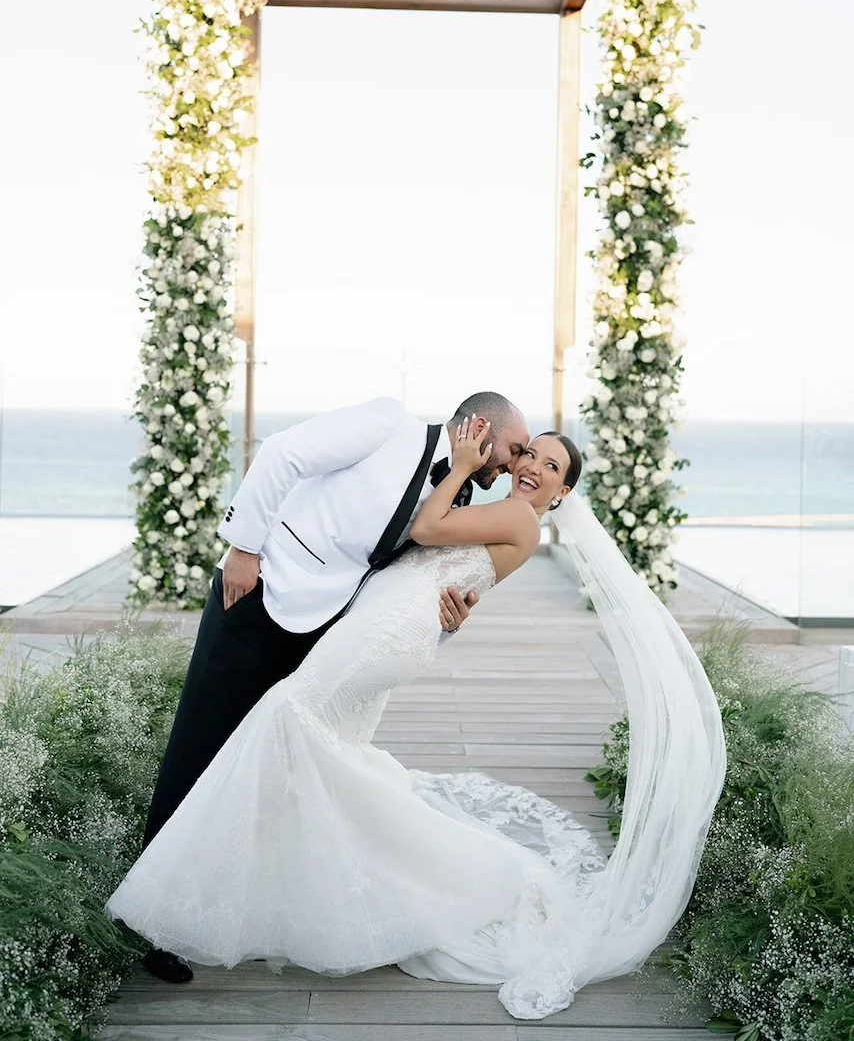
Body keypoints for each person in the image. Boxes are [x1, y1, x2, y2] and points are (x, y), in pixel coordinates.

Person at [109, 418, 726, 1020]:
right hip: (380, 621)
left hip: (386, 635)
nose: (529, 466)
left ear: (563, 493)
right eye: (529, 454)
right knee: (324, 749)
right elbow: (423, 557)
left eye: (548, 465)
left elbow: (428, 527)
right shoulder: (459, 479)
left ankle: (196, 896)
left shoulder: (517, 518)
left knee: (287, 719)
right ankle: (294, 884)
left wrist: (459, 468)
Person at [137, 391, 530, 982]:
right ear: (478, 425)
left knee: (271, 768)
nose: (514, 464)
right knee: (200, 748)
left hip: (324, 639)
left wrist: (445, 620)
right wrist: (242, 550)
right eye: (515, 448)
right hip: (258, 596)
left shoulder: (460, 499)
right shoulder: (387, 424)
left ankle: (232, 905)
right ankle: (146, 922)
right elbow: (282, 454)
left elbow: (404, 591)